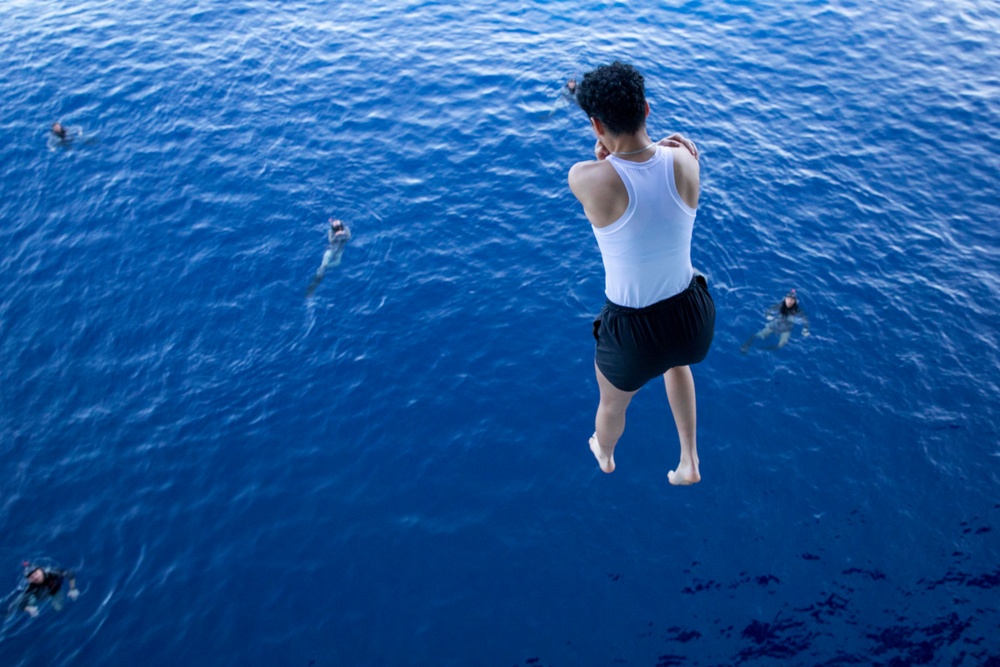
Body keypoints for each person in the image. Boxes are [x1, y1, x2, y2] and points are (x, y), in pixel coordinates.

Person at [568, 61, 715, 485]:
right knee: (677, 364)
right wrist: (673, 145)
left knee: (612, 405)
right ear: (647, 109)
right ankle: (690, 460)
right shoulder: (686, 161)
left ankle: (606, 453)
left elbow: (603, 171)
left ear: (596, 123)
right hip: (693, 316)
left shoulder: (586, 179)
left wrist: (606, 154)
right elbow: (665, 156)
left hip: (632, 333)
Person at [740, 289, 811, 352]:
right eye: (788, 299)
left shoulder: (797, 310)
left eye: (792, 300)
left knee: (781, 345)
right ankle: (747, 345)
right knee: (757, 335)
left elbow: (805, 320)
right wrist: (768, 316)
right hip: (775, 325)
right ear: (785, 299)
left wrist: (805, 329)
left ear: (795, 301)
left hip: (786, 329)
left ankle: (763, 350)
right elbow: (768, 311)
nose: (789, 301)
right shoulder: (779, 306)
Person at [305, 218, 351, 297]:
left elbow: (348, 238)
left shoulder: (346, 229)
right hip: (331, 249)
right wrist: (336, 235)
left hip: (340, 250)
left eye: (337, 223)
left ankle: (326, 267)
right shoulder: (331, 232)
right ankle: (315, 283)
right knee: (322, 266)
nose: (336, 222)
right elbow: (331, 241)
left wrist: (344, 234)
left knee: (337, 262)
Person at [13, 564, 78, 617]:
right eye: (31, 577)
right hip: (37, 595)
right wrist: (29, 609)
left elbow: (70, 573)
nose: (35, 577)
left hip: (55, 589)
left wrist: (73, 589)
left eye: (36, 573)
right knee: (32, 606)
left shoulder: (52, 572)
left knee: (59, 608)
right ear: (29, 580)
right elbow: (19, 604)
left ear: (41, 570)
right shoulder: (30, 588)